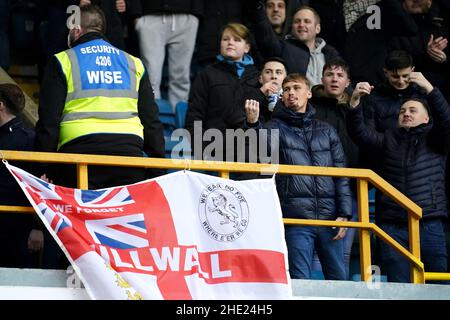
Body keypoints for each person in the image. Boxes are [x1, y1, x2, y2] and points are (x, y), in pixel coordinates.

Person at [35, 4, 165, 189]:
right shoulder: (134, 63)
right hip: (128, 158)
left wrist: (42, 167)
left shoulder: (63, 60)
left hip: (79, 156)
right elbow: (151, 121)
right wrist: (157, 168)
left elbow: (49, 121)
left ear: (77, 29)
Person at [245, 73, 352, 280]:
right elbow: (259, 151)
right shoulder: (274, 127)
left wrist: (345, 213)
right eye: (286, 90)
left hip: (329, 219)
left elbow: (342, 174)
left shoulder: (327, 130)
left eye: (296, 88)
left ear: (309, 93)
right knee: (299, 281)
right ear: (282, 97)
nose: (291, 93)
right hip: (295, 219)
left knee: (339, 281)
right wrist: (252, 124)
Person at [348, 72, 449, 283]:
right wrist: (355, 101)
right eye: (402, 111)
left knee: (437, 285)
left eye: (413, 110)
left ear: (426, 118)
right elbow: (360, 134)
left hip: (428, 222)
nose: (406, 114)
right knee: (399, 286)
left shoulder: (436, 139)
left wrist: (430, 89)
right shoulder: (389, 139)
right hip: (392, 225)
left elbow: (446, 119)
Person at [185, 23, 267, 161]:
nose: (230, 43)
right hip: (215, 150)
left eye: (237, 39)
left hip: (251, 150)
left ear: (247, 47)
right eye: (226, 39)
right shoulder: (207, 74)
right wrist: (205, 146)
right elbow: (194, 117)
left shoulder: (258, 77)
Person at [310, 59, 360, 279]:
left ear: (348, 81)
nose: (334, 79)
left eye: (340, 75)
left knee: (343, 252)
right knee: (313, 254)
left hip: (349, 188)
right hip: (315, 189)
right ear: (322, 79)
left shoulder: (357, 107)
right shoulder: (310, 107)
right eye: (330, 74)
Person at [128, 0, 203, 109]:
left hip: (185, 15)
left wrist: (196, 14)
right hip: (150, 15)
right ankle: (153, 122)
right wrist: (136, 15)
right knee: (151, 78)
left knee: (181, 77)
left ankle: (179, 122)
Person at [249, 2, 341, 86]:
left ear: (317, 28)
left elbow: (343, 80)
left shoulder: (330, 53)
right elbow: (265, 36)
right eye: (297, 21)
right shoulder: (283, 48)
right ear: (292, 27)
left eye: (307, 21)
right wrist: (258, 7)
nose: (301, 25)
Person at [0, 83, 36, 268]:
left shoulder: (28, 139)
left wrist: (37, 228)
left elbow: (38, 185)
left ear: (1, 105)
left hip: (17, 230)